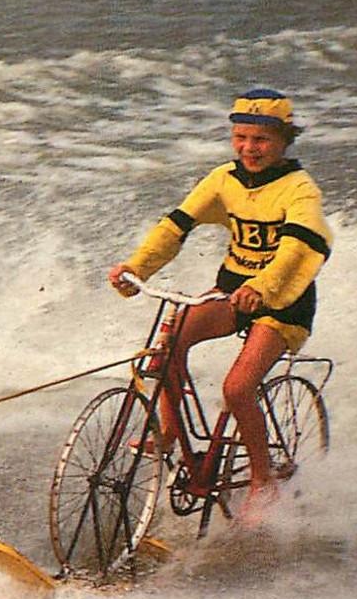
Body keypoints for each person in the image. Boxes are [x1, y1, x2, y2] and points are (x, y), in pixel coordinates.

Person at [106, 89, 332, 526]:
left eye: (262, 139)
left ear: (284, 141)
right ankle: (170, 432)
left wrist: (263, 288)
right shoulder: (223, 179)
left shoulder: (301, 190)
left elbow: (297, 251)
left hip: (283, 301)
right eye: (241, 137)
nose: (250, 148)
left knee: (237, 388)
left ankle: (262, 482)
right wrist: (137, 268)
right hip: (232, 291)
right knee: (167, 343)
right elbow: (175, 227)